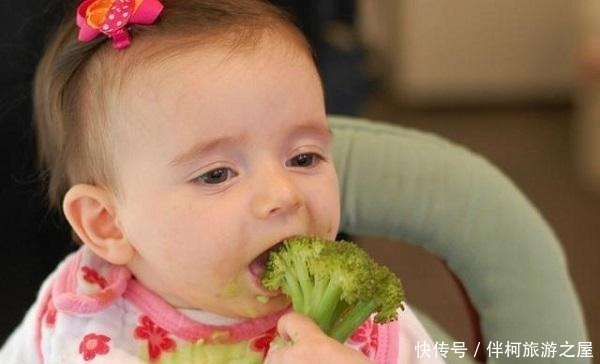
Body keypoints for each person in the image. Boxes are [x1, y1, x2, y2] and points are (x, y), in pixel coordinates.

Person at [0, 0, 442, 362]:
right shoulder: (79, 320)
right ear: (106, 224)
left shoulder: (362, 320)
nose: (282, 195)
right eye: (216, 174)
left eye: (304, 158)